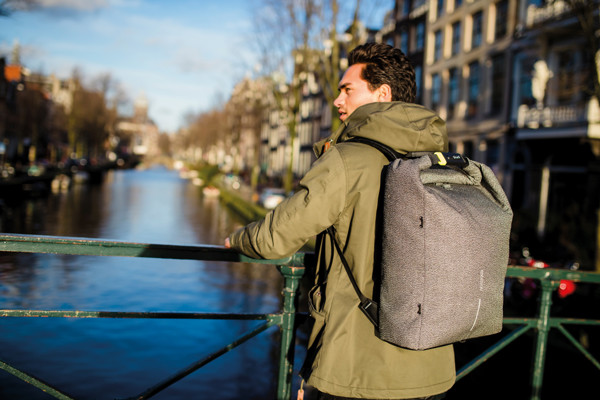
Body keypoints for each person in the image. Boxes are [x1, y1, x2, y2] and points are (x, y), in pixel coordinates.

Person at [225, 43, 455, 400]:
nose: (337, 101)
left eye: (347, 90)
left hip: (358, 370)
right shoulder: (439, 161)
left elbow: (275, 238)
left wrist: (237, 240)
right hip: (433, 368)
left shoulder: (348, 160)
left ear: (382, 94)